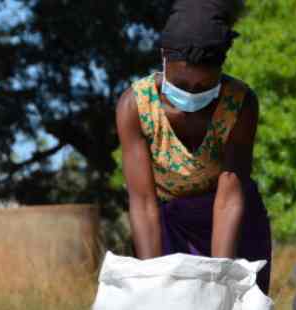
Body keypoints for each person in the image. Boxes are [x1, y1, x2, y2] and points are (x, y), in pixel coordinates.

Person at [116, 0, 272, 293]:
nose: (189, 93)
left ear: (220, 70)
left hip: (235, 222)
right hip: (172, 224)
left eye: (202, 87)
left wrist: (219, 279)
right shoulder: (135, 106)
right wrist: (153, 280)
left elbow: (229, 195)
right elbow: (143, 202)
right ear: (164, 58)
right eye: (181, 83)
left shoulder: (239, 104)